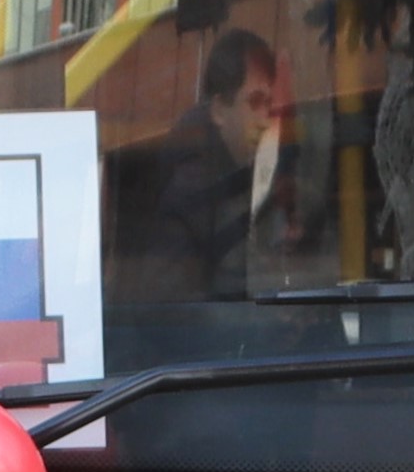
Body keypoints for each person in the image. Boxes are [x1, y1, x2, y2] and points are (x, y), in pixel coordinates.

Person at [114, 25, 290, 302]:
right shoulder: (193, 189)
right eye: (254, 102)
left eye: (268, 104)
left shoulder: (236, 173)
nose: (264, 120)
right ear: (219, 111)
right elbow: (170, 304)